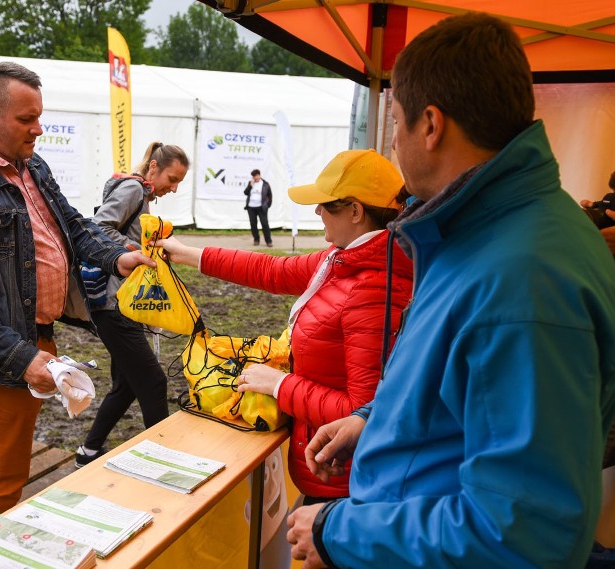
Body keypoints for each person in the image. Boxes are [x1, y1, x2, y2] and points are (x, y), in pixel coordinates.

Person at [287, 13, 615, 569]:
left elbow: (521, 531)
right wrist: (374, 417)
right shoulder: (476, 232)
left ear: (431, 125)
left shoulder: (523, 281)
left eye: (395, 122)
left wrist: (338, 532)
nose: (393, 142)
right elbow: (456, 383)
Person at [0, 61, 155, 524]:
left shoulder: (31, 165)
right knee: (2, 472)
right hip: (4, 349)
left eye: (39, 116)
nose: (38, 128)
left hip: (33, 337)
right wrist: (24, 357)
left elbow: (71, 223)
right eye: (26, 119)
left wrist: (117, 256)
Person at [159, 149, 414, 504]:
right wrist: (186, 253)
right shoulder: (342, 258)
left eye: (325, 204)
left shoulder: (373, 290)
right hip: (326, 471)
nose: (316, 211)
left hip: (345, 487)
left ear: (356, 211)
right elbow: (271, 270)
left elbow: (363, 413)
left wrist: (280, 384)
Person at [75, 141, 189, 468]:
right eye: (172, 178)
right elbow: (98, 225)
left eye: (180, 181)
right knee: (154, 381)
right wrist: (130, 249)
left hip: (122, 302)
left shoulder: (142, 195)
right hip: (114, 304)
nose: (174, 187)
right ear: (153, 167)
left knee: (126, 384)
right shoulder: (134, 190)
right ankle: (162, 463)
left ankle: (89, 451)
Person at [244, 168, 273, 247]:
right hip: (251, 207)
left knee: (264, 224)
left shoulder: (265, 184)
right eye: (254, 176)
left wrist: (267, 205)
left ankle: (268, 241)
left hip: (261, 207)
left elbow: (270, 195)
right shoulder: (251, 183)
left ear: (259, 175)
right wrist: (250, 185)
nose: (256, 177)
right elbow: (246, 192)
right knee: (253, 224)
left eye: (257, 175)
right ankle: (256, 239)